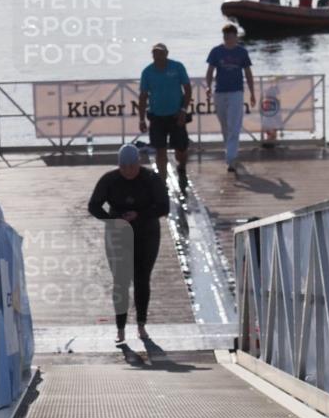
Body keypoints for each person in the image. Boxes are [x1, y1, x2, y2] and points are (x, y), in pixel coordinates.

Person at [87, 144, 169, 344]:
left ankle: (141, 325)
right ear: (119, 165)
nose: (128, 171)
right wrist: (111, 220)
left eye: (132, 166)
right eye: (124, 167)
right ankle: (120, 328)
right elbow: (93, 205)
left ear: (138, 163)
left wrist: (139, 215)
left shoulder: (151, 179)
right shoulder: (110, 179)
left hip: (146, 232)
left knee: (142, 279)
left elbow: (164, 206)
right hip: (118, 233)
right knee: (120, 281)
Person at [138, 43, 192, 192]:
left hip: (176, 116)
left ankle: (181, 168)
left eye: (161, 53)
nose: (158, 56)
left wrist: (183, 110)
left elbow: (187, 89)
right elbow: (143, 96)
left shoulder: (177, 67)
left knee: (181, 149)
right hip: (157, 117)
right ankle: (162, 183)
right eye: (155, 53)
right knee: (160, 150)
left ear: (167, 53)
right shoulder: (147, 72)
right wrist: (141, 119)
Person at [205, 25, 256, 172]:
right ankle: (230, 151)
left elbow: (248, 73)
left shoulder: (242, 52)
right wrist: (208, 87)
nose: (227, 39)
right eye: (225, 36)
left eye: (230, 36)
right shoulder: (216, 51)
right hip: (220, 91)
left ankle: (231, 158)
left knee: (234, 124)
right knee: (225, 125)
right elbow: (210, 71)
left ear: (235, 36)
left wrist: (252, 92)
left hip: (236, 92)